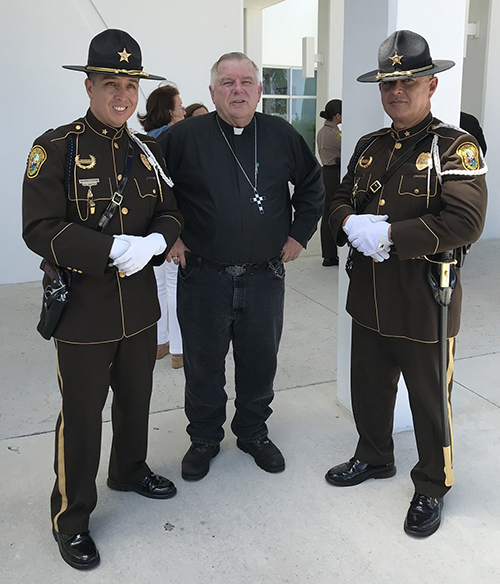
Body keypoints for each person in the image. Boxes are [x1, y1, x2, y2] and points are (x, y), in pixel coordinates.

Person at [22, 29, 183, 570]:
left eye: (131, 84)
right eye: (111, 83)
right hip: (84, 312)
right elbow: (39, 228)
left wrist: (158, 240)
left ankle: (130, 469)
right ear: (89, 86)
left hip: (139, 307)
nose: (123, 95)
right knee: (83, 416)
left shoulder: (148, 149)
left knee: (136, 400)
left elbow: (171, 209)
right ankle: (71, 517)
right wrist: (109, 246)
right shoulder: (56, 147)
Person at [325, 30, 487, 537]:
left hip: (424, 298)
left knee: (428, 400)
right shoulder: (370, 145)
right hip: (369, 294)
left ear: (431, 83)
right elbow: (338, 197)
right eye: (389, 82)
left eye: (409, 80)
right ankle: (374, 457)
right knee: (369, 388)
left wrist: (392, 234)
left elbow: (466, 222)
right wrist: (350, 224)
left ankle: (433, 485)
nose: (398, 90)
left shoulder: (453, 146)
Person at [158, 52, 324, 481]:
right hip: (203, 275)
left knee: (259, 362)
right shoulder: (184, 137)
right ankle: (205, 438)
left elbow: (312, 185)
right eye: (227, 83)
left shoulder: (280, 134)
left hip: (264, 276)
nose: (237, 90)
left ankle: (252, 431)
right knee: (203, 364)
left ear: (259, 90)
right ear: (212, 91)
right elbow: (152, 188)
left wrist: (299, 234)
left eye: (246, 82)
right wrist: (169, 235)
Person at [138, 84, 185, 367]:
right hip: (172, 222)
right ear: (169, 110)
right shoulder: (176, 139)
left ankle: (160, 343)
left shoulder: (143, 140)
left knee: (158, 285)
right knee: (175, 286)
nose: (182, 109)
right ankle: (179, 350)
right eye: (179, 105)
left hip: (147, 223)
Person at [317, 99, 342, 266]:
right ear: (337, 115)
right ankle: (331, 255)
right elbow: (348, 148)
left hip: (325, 173)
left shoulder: (322, 131)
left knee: (326, 214)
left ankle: (328, 254)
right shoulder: (334, 134)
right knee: (333, 213)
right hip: (333, 174)